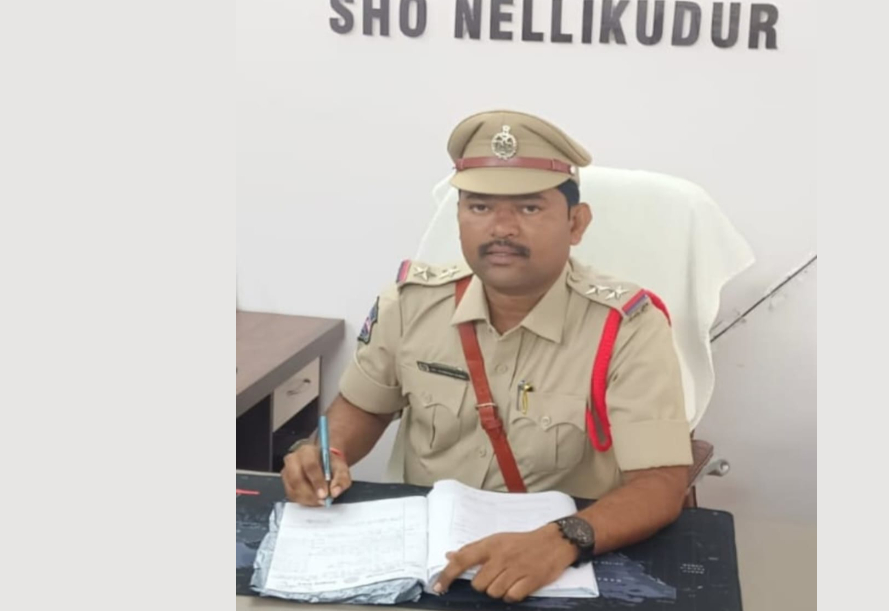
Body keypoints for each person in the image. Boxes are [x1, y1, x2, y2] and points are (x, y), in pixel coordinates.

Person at [282, 109, 694, 602]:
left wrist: (563, 540)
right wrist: (327, 455)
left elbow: (661, 484)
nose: (501, 228)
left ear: (576, 222)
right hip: (425, 569)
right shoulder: (410, 305)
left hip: (556, 568)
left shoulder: (625, 328)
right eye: (479, 206)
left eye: (529, 208)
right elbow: (363, 409)